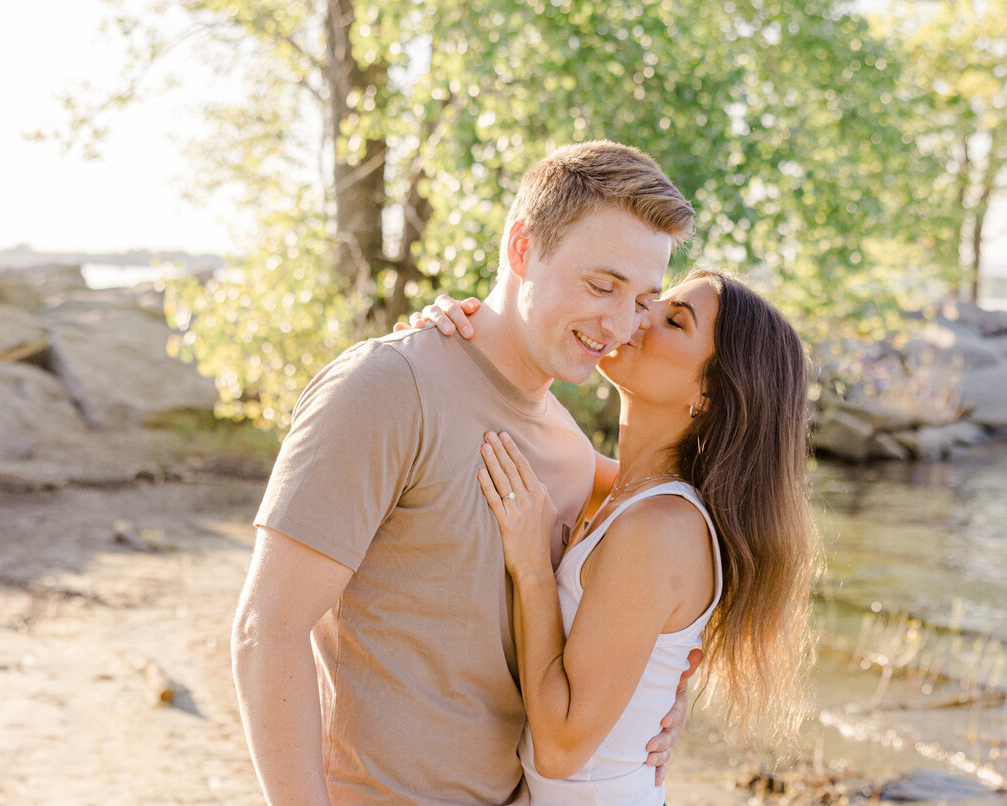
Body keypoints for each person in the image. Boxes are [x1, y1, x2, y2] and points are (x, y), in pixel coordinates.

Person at [230, 140, 697, 805]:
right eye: (601, 285)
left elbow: (683, 555)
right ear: (521, 250)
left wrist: (671, 694)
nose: (621, 324)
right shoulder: (386, 386)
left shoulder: (567, 443)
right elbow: (265, 631)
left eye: (643, 299)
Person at [411, 269, 819, 803]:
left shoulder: (660, 528)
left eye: (674, 320)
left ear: (710, 394)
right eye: (654, 300)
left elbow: (560, 750)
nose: (638, 314)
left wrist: (532, 566)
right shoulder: (618, 488)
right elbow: (511, 400)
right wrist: (447, 332)